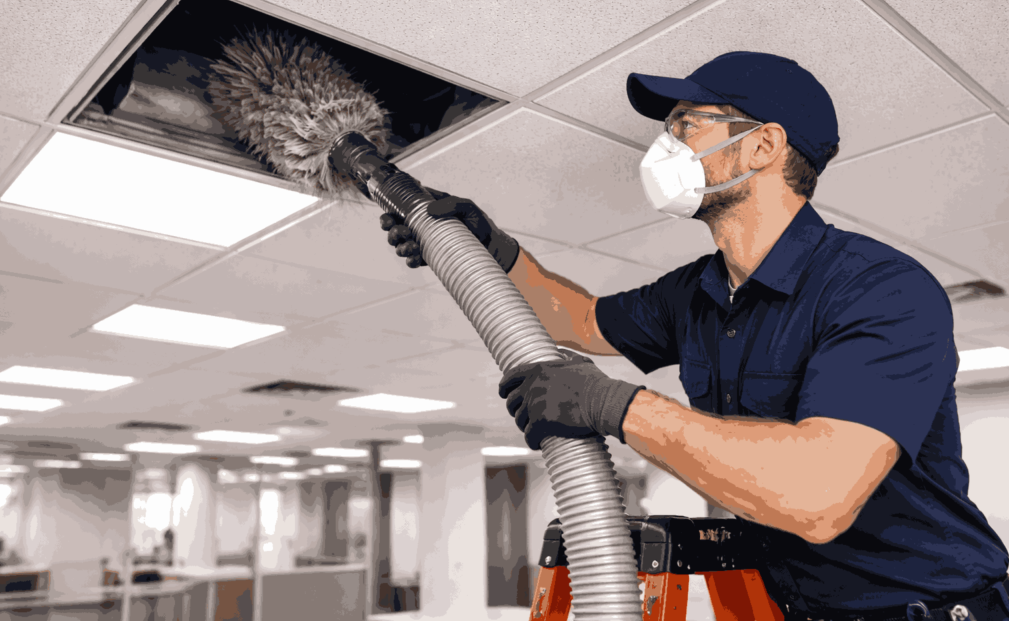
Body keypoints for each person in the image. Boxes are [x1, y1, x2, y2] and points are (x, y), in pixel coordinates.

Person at [380, 51, 1009, 620]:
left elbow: (820, 496)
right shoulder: (696, 292)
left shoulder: (880, 287)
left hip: (928, 608)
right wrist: (492, 249)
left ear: (763, 145)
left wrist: (617, 406)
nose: (665, 144)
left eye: (687, 124)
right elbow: (578, 319)